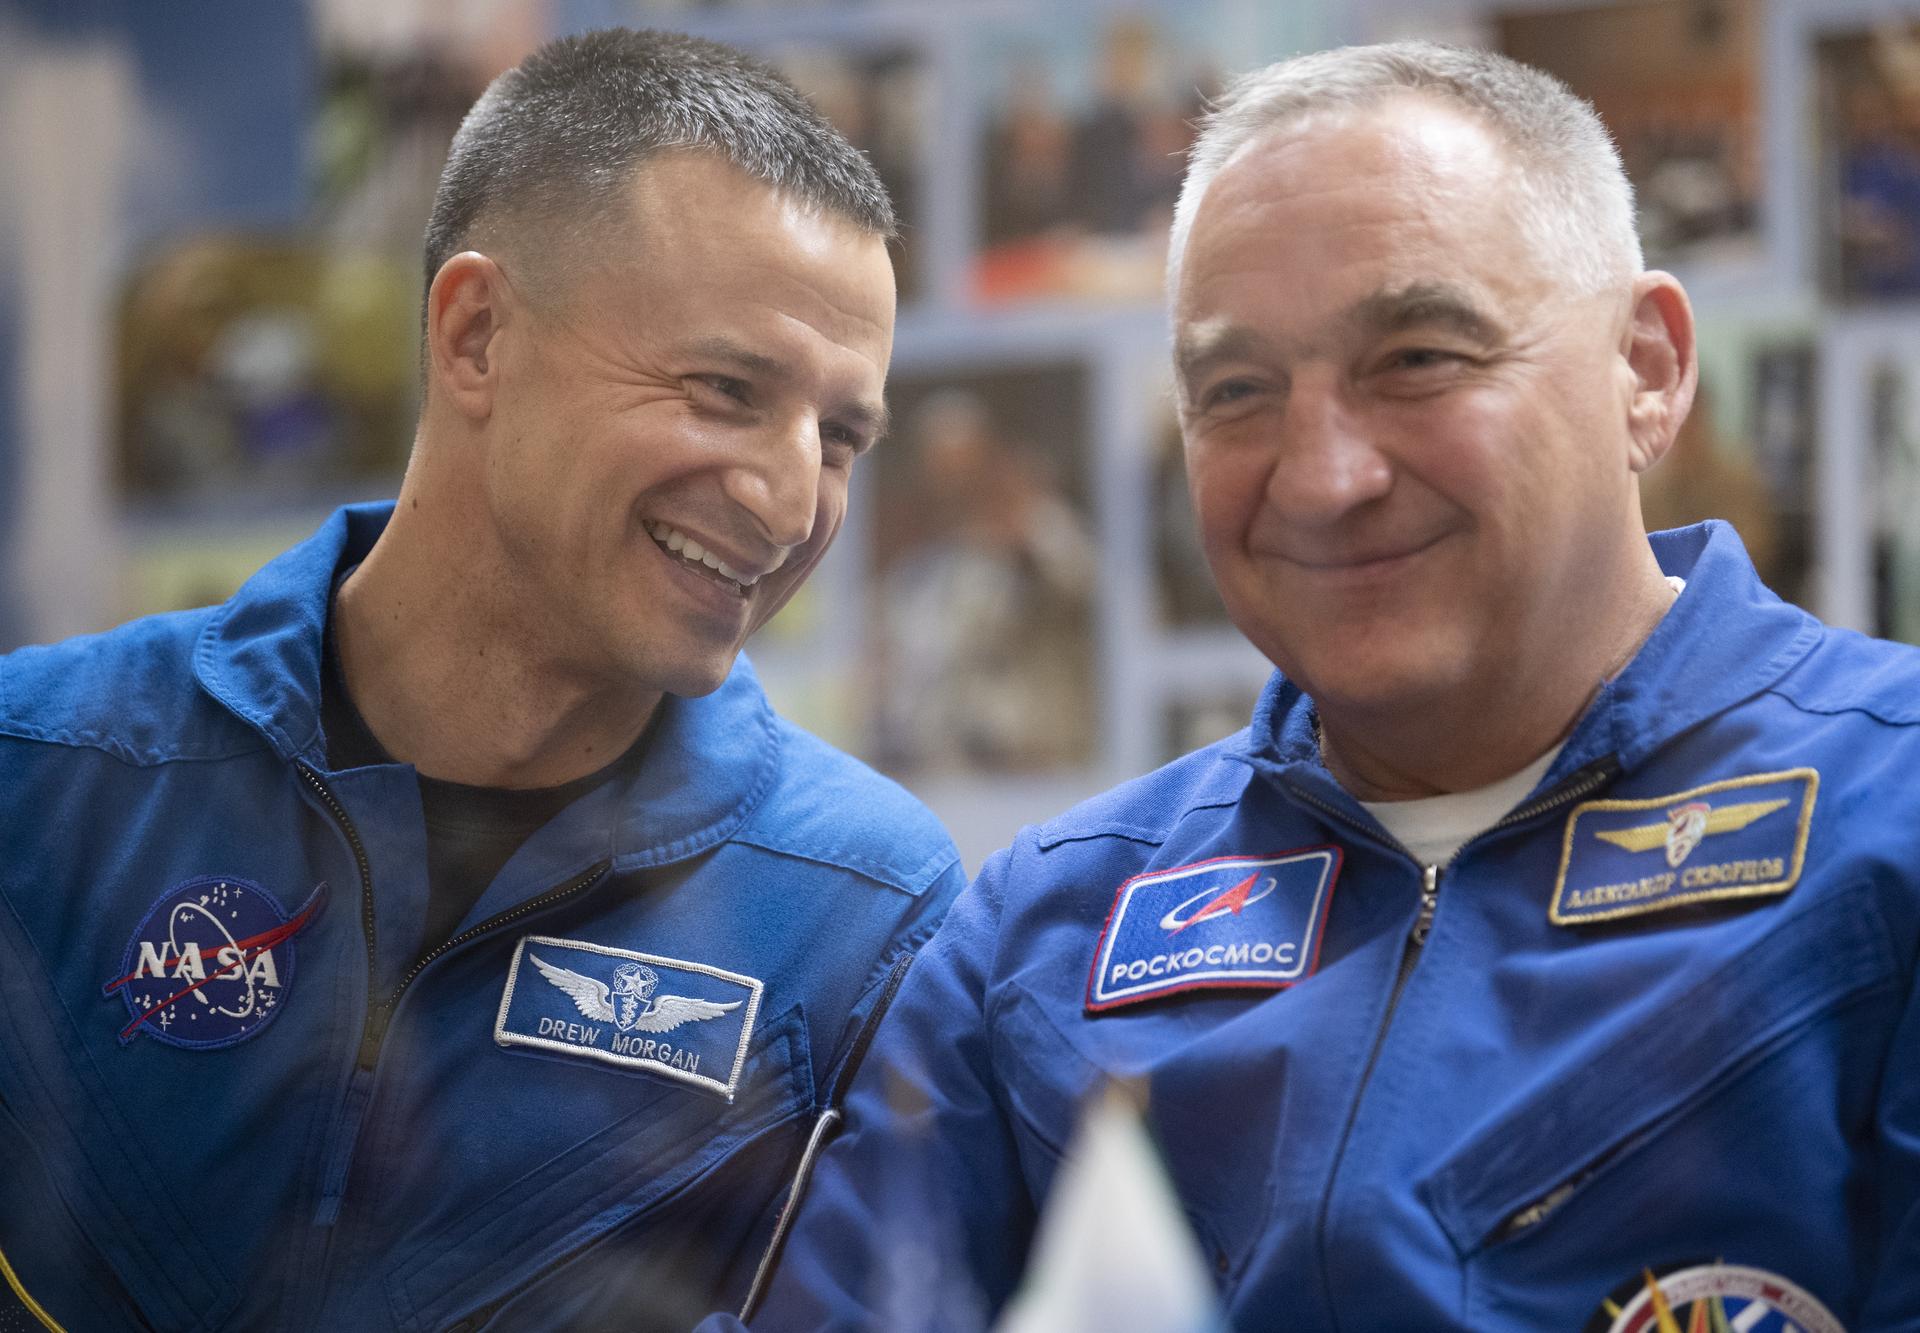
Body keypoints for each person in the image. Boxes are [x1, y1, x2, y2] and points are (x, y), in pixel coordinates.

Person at [723, 41, 1920, 1332]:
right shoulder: (1050, 930)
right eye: (1237, 391)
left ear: (1648, 369)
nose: (1323, 477)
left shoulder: (1889, 810)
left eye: (1417, 358)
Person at [0, 29, 963, 1333]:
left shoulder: (866, 917)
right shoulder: (40, 773)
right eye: (727, 389)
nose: (792, 504)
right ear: (476, 336)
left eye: (841, 436)